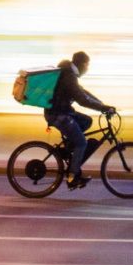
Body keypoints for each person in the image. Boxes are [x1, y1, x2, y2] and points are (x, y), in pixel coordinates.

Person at [44, 51, 115, 189]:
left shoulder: (69, 73)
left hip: (62, 112)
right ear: (82, 64)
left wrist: (102, 104)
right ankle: (72, 177)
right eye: (87, 65)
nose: (87, 69)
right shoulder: (69, 76)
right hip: (58, 114)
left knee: (86, 121)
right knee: (82, 143)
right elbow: (82, 100)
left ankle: (67, 150)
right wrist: (102, 108)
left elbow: (83, 92)